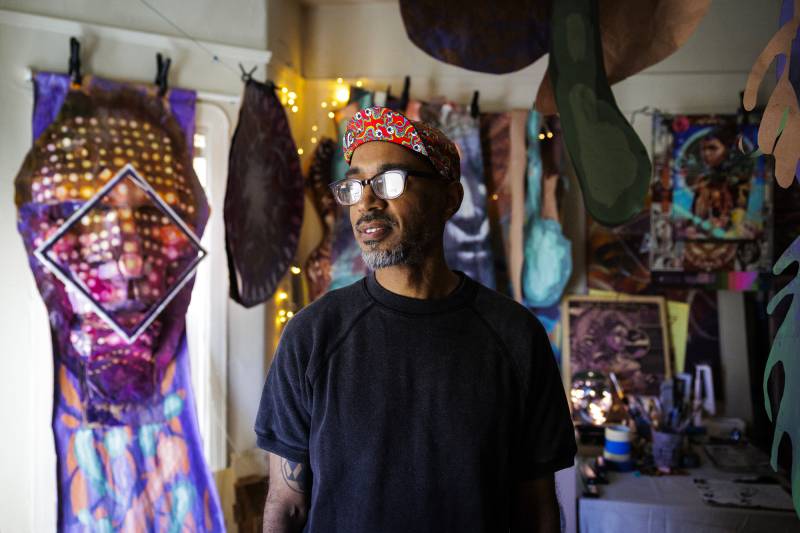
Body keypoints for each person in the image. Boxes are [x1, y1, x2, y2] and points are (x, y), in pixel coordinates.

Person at [255, 106, 577, 533]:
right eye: (354, 187)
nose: (366, 202)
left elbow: (537, 508)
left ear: (449, 199)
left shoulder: (516, 337)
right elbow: (288, 505)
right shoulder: (311, 337)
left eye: (389, 182)